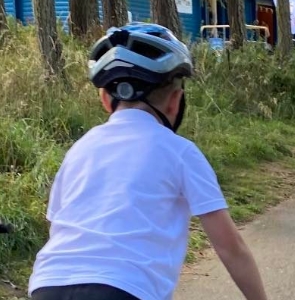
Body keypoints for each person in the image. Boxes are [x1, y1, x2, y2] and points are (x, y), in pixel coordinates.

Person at [28, 22, 268, 300]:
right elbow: (230, 247)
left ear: (105, 99)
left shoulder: (80, 148)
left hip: (48, 283)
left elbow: (57, 223)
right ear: (175, 101)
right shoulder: (180, 152)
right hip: (126, 288)